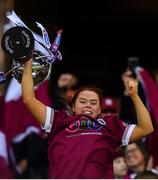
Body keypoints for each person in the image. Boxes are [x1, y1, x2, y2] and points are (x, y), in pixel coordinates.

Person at [21, 58, 153, 178]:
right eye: (82, 101)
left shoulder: (110, 124)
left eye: (93, 103)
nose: (88, 105)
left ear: (100, 109)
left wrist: (135, 96)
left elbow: (146, 128)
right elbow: (29, 99)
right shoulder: (58, 119)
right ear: (73, 107)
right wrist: (27, 62)